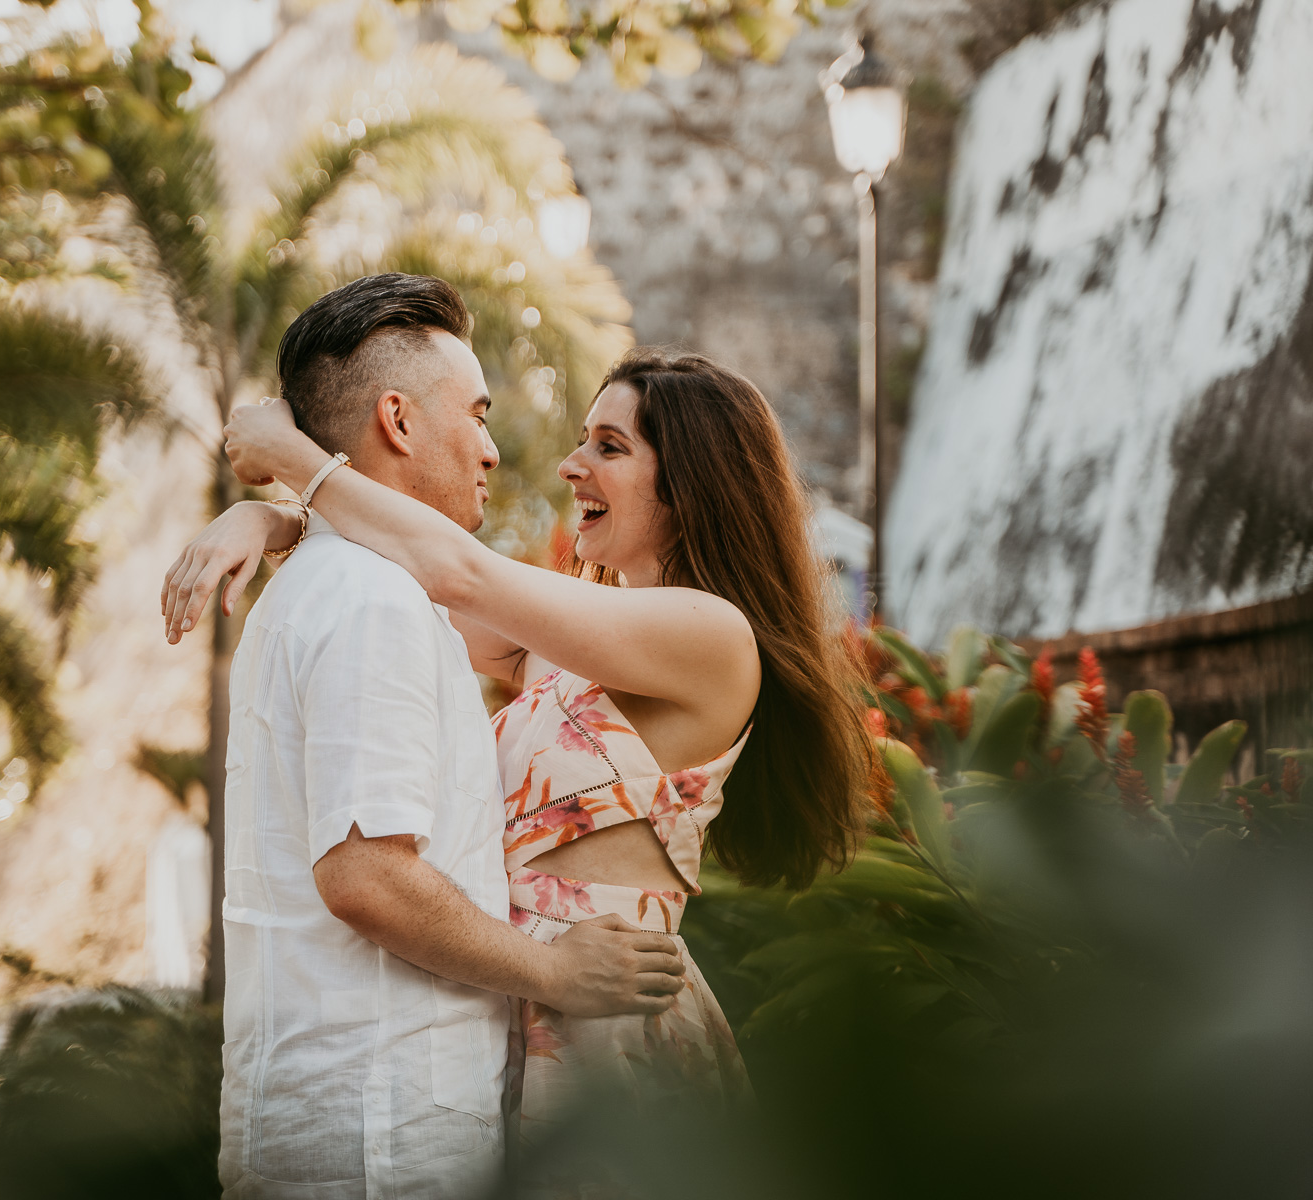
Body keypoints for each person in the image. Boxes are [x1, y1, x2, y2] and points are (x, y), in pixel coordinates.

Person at [166, 334, 873, 1190]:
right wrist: (275, 520)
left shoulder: (712, 637)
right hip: (513, 1005)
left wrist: (291, 461)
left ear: (690, 487)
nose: (572, 466)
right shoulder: (564, 646)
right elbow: (402, 579)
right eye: (585, 439)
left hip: (606, 1032)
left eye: (609, 448)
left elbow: (455, 570)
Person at [173, 274, 692, 1200]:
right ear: (400, 423)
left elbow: (460, 575)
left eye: (607, 446)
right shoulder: (374, 601)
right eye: (479, 417)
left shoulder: (362, 591)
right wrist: (554, 973)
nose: (504, 452)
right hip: (383, 1128)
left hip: (418, 1099)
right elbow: (367, 876)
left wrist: (285, 496)